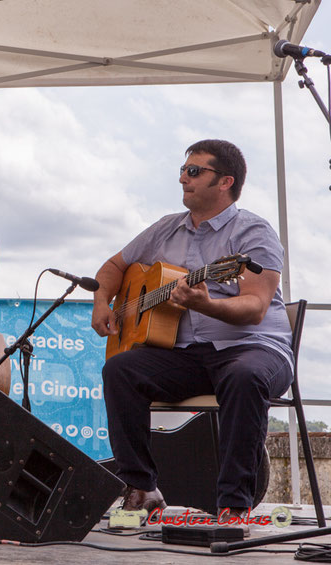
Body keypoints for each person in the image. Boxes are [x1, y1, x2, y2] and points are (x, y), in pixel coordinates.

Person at [90, 139, 293, 524]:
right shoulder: (166, 229)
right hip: (189, 354)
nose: (183, 177)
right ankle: (140, 489)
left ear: (225, 182)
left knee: (244, 375)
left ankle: (234, 506)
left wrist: (207, 304)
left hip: (254, 348)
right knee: (120, 370)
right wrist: (104, 302)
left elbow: (254, 308)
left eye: (194, 171)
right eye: (183, 170)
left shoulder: (253, 232)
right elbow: (113, 267)